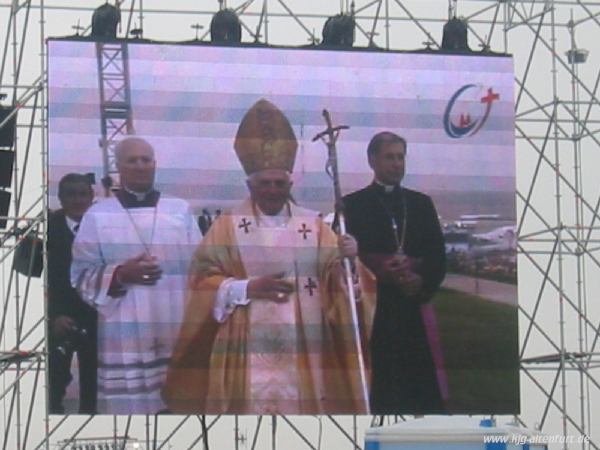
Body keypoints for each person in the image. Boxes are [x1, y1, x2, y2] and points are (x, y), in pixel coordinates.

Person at [163, 99, 371, 414]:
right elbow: (202, 279)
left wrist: (350, 261)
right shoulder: (227, 227)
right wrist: (246, 288)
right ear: (250, 184)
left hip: (304, 342)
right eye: (264, 183)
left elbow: (339, 280)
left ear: (290, 183)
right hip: (244, 341)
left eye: (279, 183)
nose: (272, 190)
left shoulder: (313, 225)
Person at [71, 137, 201, 414]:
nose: (140, 166)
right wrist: (119, 275)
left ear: (155, 165)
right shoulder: (98, 215)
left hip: (174, 321)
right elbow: (80, 273)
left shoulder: (179, 210)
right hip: (124, 326)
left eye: (146, 159)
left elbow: (200, 268)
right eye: (132, 160)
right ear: (119, 167)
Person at [343, 131, 447, 414]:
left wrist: (421, 281)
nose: (397, 163)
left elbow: (438, 255)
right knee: (381, 391)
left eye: (401, 157)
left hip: (412, 307)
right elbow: (341, 262)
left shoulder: (421, 204)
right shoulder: (351, 205)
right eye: (390, 157)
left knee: (420, 393)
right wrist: (375, 272)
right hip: (374, 311)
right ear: (372, 160)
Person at [48, 173, 97, 414]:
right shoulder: (46, 231)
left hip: (96, 322)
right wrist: (52, 317)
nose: (77, 200)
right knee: (52, 387)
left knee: (94, 391)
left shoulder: (104, 229)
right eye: (71, 194)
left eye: (82, 194)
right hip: (58, 322)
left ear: (91, 196)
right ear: (60, 198)